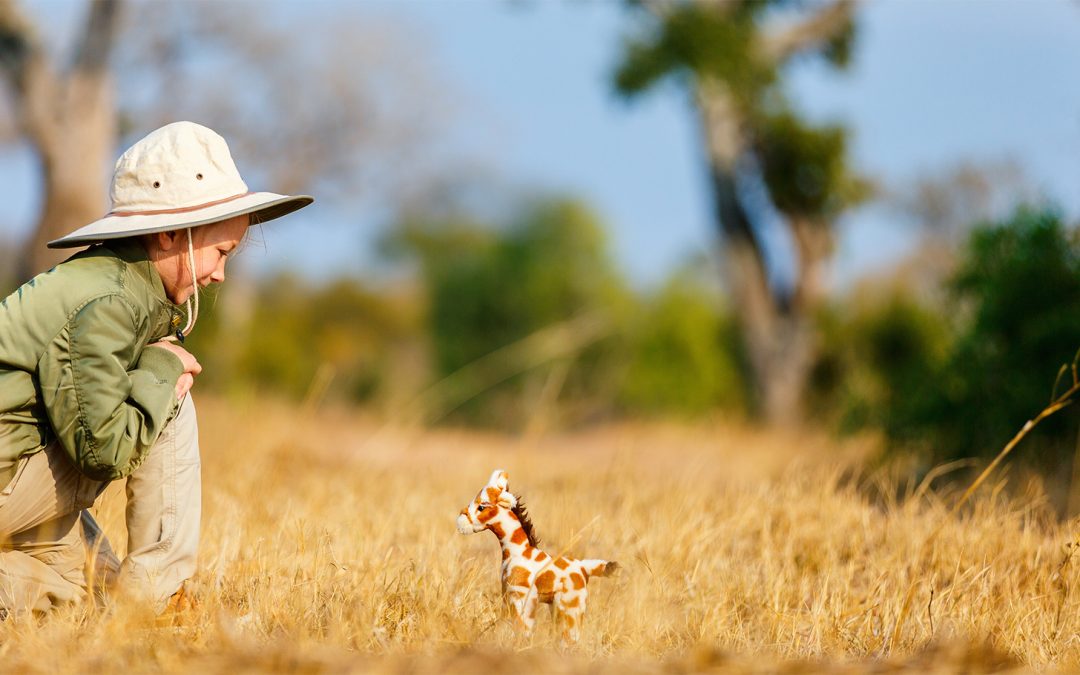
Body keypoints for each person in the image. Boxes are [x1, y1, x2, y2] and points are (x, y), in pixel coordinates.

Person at [0, 121, 312, 614]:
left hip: (13, 481)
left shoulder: (114, 283)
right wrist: (164, 368)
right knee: (171, 393)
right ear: (170, 234)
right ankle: (159, 597)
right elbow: (99, 448)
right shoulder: (107, 301)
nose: (219, 275)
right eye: (220, 253)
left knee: (87, 596)